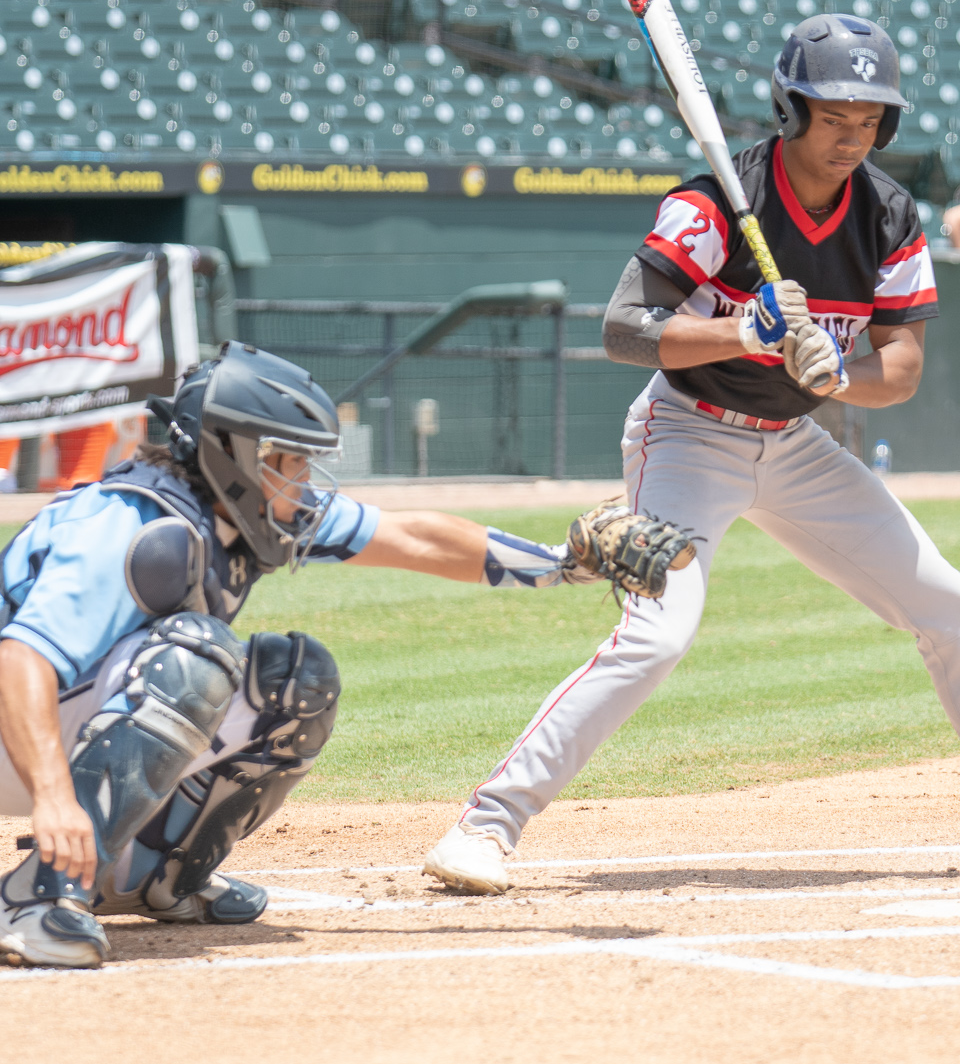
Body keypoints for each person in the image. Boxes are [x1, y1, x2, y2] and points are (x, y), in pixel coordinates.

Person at [420, 13, 960, 896]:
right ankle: (487, 825)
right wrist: (740, 330)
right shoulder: (715, 203)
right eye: (837, 116)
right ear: (792, 107)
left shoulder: (887, 213)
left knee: (947, 605)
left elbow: (904, 367)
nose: (855, 137)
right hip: (687, 432)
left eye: (872, 120)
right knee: (659, 633)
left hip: (795, 443)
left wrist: (835, 371)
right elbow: (623, 329)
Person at [0, 344, 619, 968]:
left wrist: (566, 566)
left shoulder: (244, 512)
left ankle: (145, 875)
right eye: (289, 460)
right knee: (194, 657)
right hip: (17, 730)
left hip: (58, 724)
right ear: (234, 456)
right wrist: (54, 798)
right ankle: (37, 899)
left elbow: (414, 539)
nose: (303, 479)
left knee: (295, 681)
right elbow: (21, 658)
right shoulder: (133, 525)